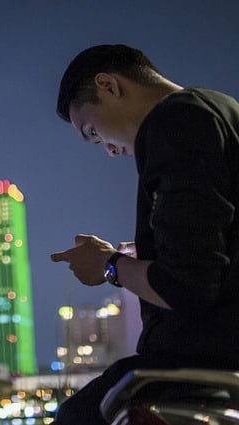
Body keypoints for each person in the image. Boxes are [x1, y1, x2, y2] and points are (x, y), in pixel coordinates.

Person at [50, 44, 239, 424]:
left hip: (197, 364)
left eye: (92, 130)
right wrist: (143, 255)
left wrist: (108, 265)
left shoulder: (175, 121)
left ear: (108, 85)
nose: (108, 149)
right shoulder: (223, 109)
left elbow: (187, 287)